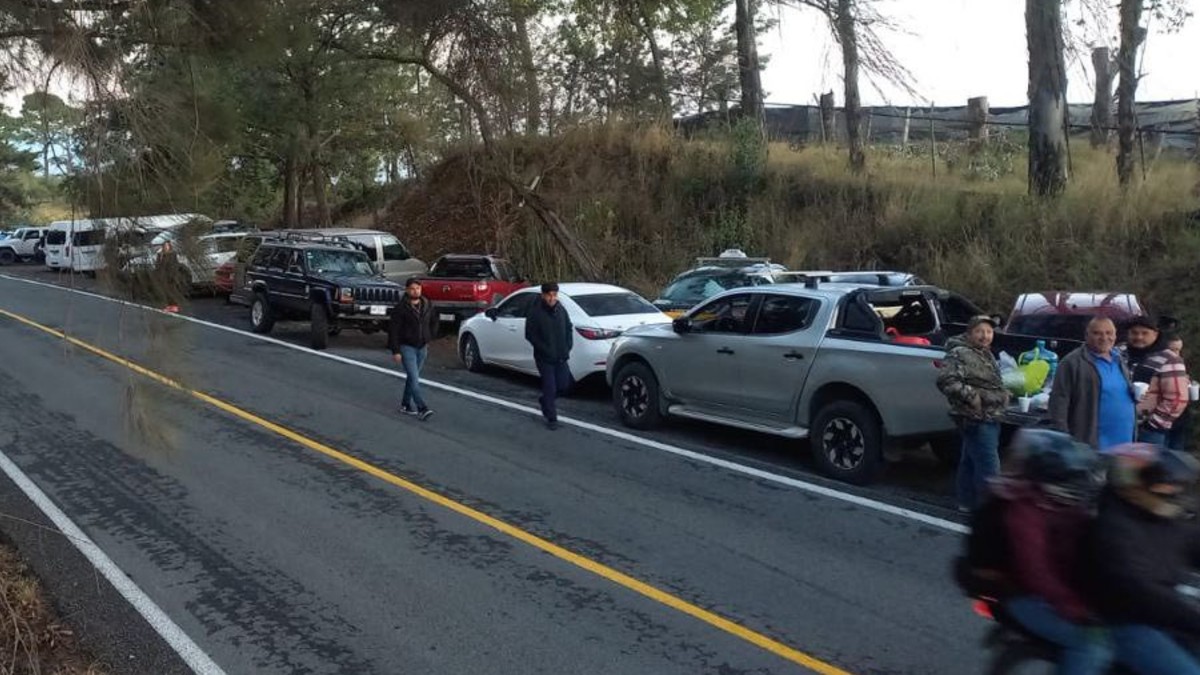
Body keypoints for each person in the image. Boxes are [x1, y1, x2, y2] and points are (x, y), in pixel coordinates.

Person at [993, 429, 1112, 675]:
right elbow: (1036, 572)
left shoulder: (1065, 507)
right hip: (1025, 595)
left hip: (1065, 589)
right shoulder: (1026, 514)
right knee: (1093, 646)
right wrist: (1076, 607)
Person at [1088, 443, 1200, 675]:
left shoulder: (1162, 516)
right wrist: (1192, 618)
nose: (1170, 490)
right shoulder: (1113, 528)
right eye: (1162, 484)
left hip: (1166, 618)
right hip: (1126, 622)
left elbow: (1191, 541)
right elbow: (1140, 590)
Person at [937, 315, 1009, 511]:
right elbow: (946, 381)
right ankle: (989, 512)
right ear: (969, 333)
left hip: (990, 413)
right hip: (976, 416)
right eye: (979, 331)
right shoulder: (959, 352)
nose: (985, 336)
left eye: (988, 332)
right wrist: (971, 397)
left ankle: (966, 502)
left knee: (969, 459)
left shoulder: (986, 353)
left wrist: (1003, 393)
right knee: (989, 465)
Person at [1049, 317, 1136, 451]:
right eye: (1097, 333)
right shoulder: (1072, 362)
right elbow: (1059, 401)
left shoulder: (1119, 359)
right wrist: (1063, 439)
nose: (1104, 337)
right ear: (1086, 335)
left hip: (1124, 445)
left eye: (1109, 333)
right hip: (1090, 446)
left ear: (1115, 335)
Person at [1124, 316, 1189, 448]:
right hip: (1120, 425)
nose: (1139, 337)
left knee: (1148, 468)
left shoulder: (1169, 359)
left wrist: (1153, 425)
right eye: (1134, 333)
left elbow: (1177, 398)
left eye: (1144, 333)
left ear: (1156, 334)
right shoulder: (1120, 352)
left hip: (1148, 431)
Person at [388, 277, 439, 421]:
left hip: (422, 346)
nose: (415, 291)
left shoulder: (427, 304)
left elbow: (434, 320)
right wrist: (396, 350)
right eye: (412, 288)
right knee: (414, 377)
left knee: (412, 378)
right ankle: (422, 407)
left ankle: (405, 404)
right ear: (407, 290)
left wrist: (430, 336)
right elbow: (393, 330)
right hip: (406, 346)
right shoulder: (400, 308)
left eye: (417, 288)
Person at [525, 282, 573, 430]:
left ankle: (545, 400)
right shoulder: (535, 312)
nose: (552, 298)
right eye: (549, 295)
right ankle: (552, 418)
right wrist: (544, 349)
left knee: (563, 385)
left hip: (561, 356)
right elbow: (530, 335)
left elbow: (569, 328)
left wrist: (567, 346)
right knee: (550, 387)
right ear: (543, 295)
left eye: (554, 295)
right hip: (544, 357)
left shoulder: (561, 310)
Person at [1164, 333, 1192, 451]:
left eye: (1179, 350)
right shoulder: (1157, 365)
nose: (1177, 354)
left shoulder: (1181, 364)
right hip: (1164, 419)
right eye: (1173, 350)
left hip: (1180, 418)